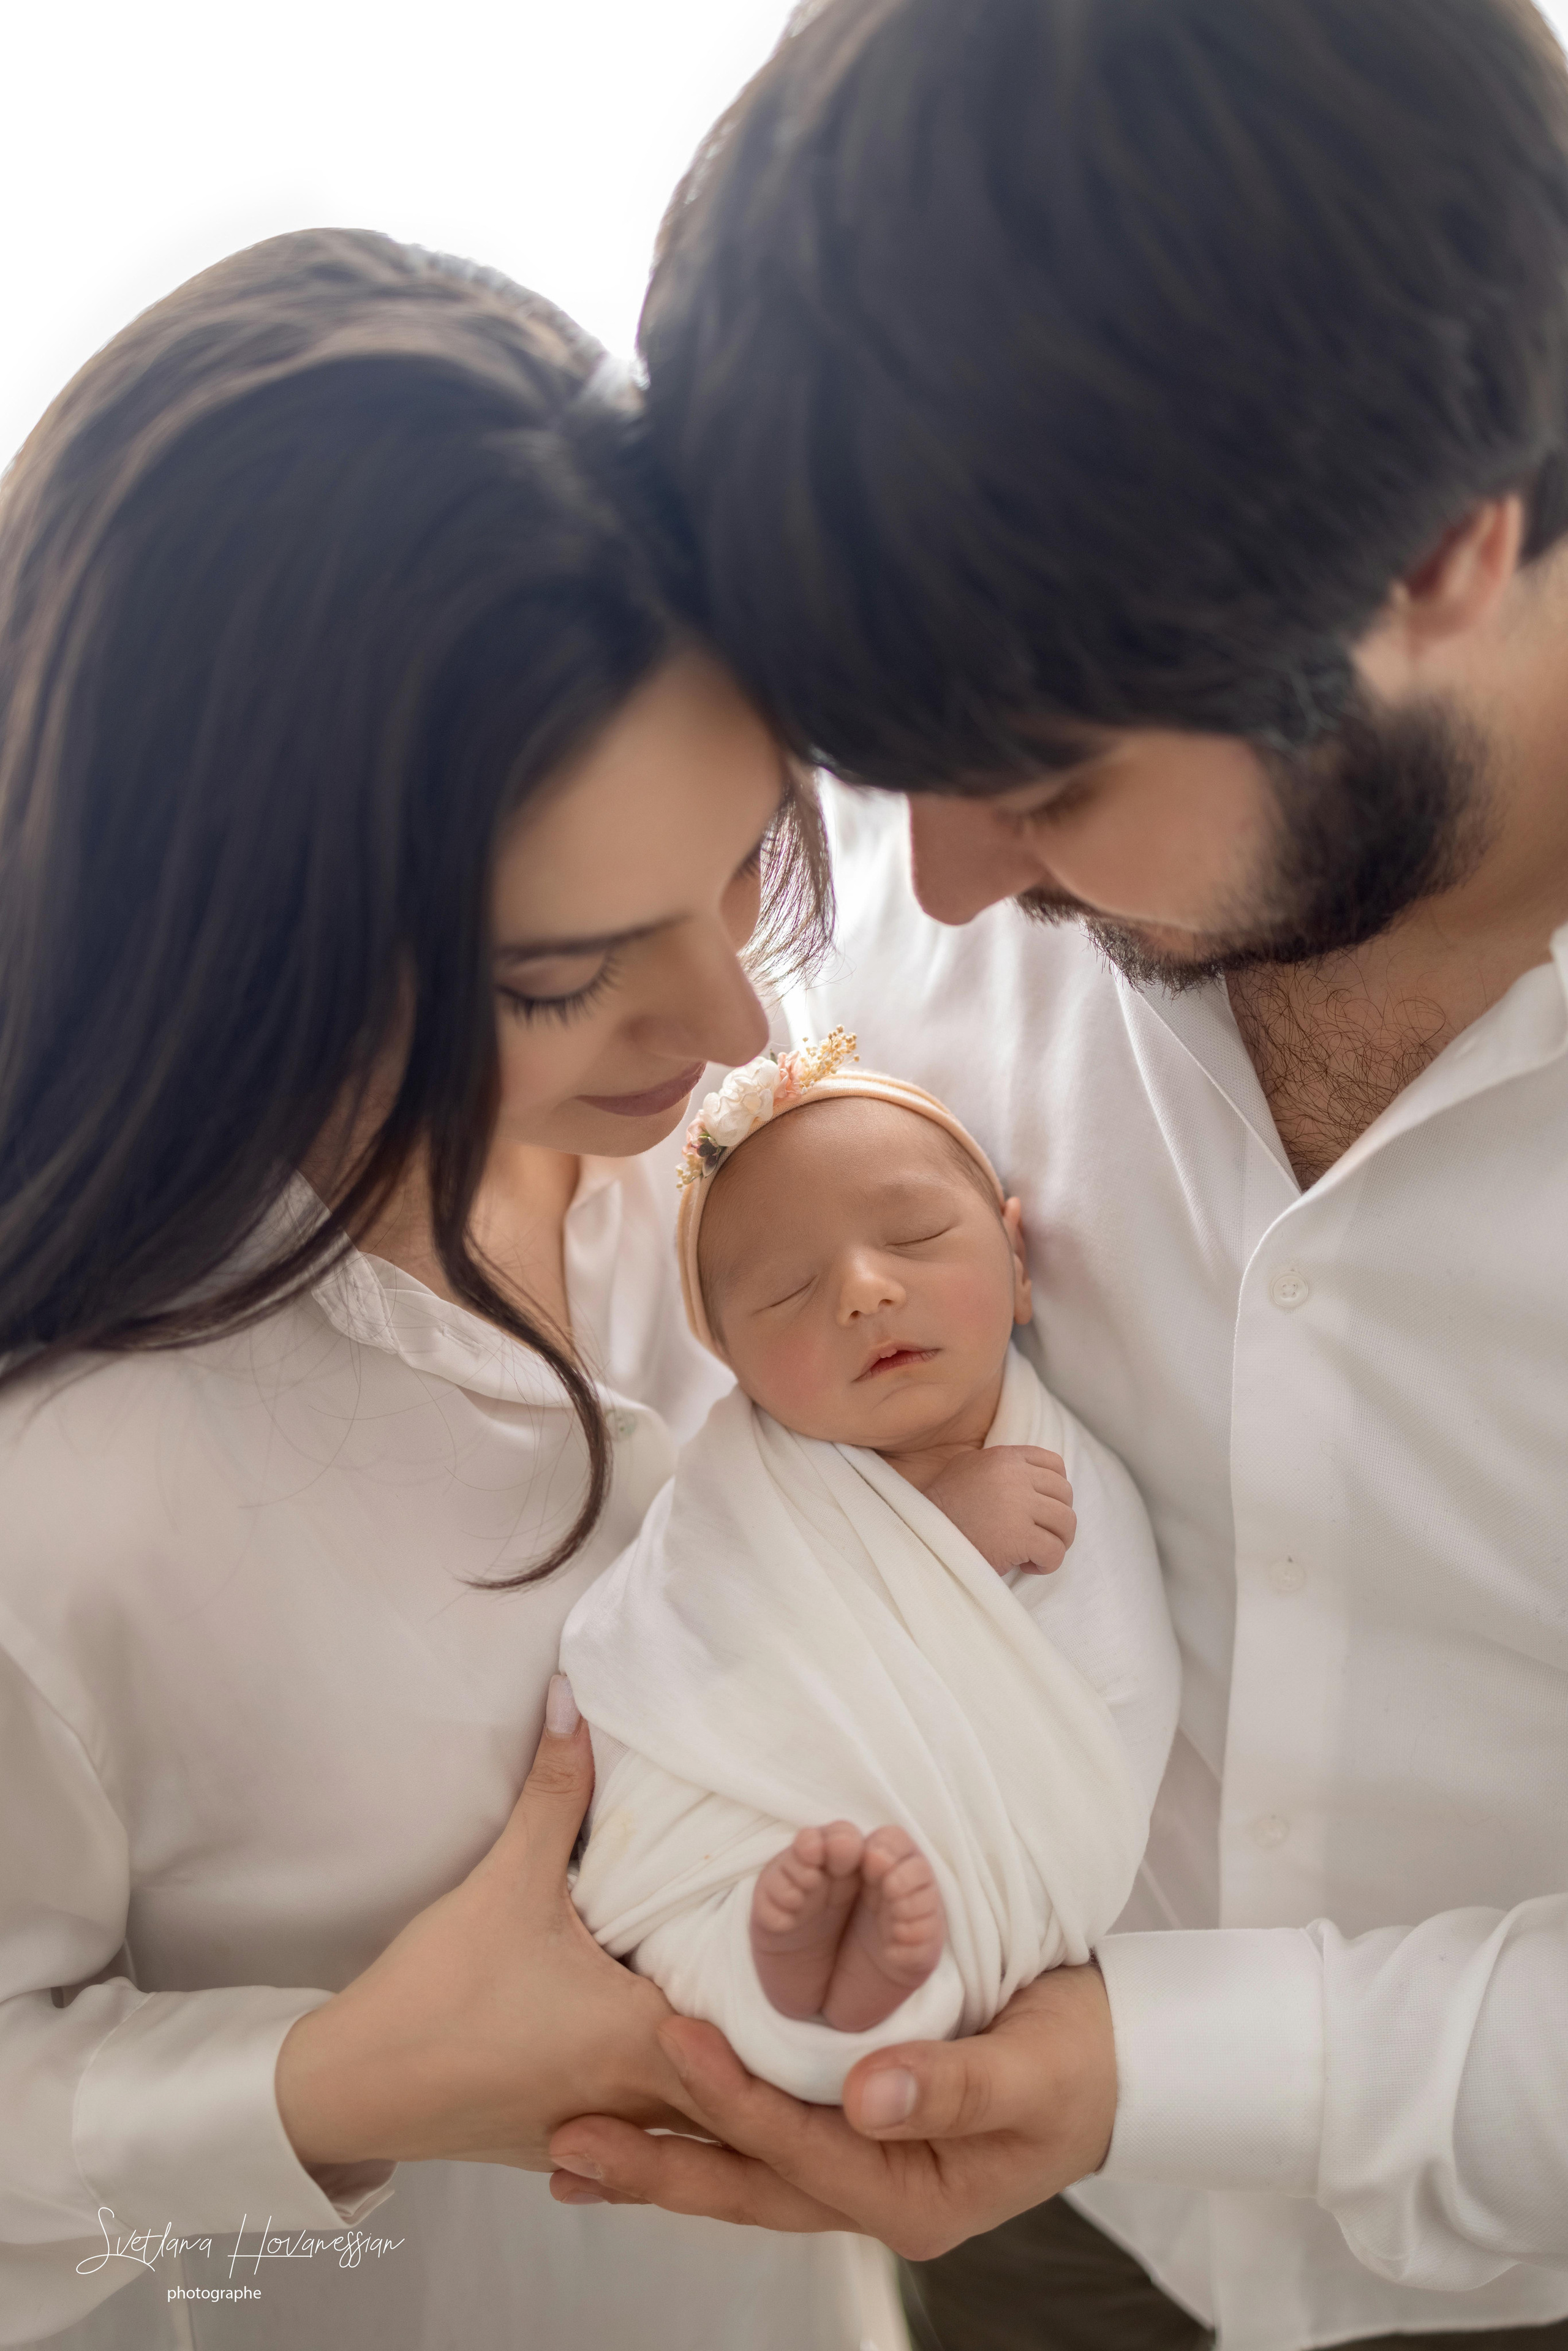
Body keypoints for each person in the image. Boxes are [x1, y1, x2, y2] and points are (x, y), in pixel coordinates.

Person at [542, 2, 1568, 2347]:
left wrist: (1170, 2066)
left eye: (1049, 776)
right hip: (976, 2207)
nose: (948, 877)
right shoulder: (913, 897)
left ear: (1440, 557)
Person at [0, 228, 900, 2350]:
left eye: (747, 861)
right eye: (560, 975)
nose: (728, 1012)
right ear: (237, 933)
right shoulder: (76, 1489)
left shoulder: (740, 1184)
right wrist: (341, 2093)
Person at [562, 1051, 1177, 2086]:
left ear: (1019, 1264)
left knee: (913, 1936)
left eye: (917, 1237)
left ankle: (865, 1984)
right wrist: (931, 1534)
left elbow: (1105, 1687)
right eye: (789, 1290)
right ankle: (803, 1977)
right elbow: (675, 1637)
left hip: (975, 1839)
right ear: (735, 1367)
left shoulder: (1066, 1461)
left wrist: (935, 1552)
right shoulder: (743, 1486)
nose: (863, 1289)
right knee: (721, 1950)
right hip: (725, 1833)